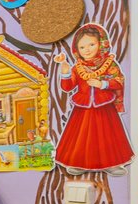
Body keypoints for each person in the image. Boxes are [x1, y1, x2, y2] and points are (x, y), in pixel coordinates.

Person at [53, 23, 133, 175]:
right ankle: (78, 163)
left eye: (91, 44)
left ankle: (112, 164)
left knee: (107, 135)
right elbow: (68, 87)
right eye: (82, 47)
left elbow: (119, 81)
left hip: (104, 108)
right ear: (77, 50)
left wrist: (102, 84)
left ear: (101, 44)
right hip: (82, 110)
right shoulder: (78, 67)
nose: (87, 50)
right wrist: (65, 70)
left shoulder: (109, 64)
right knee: (81, 137)